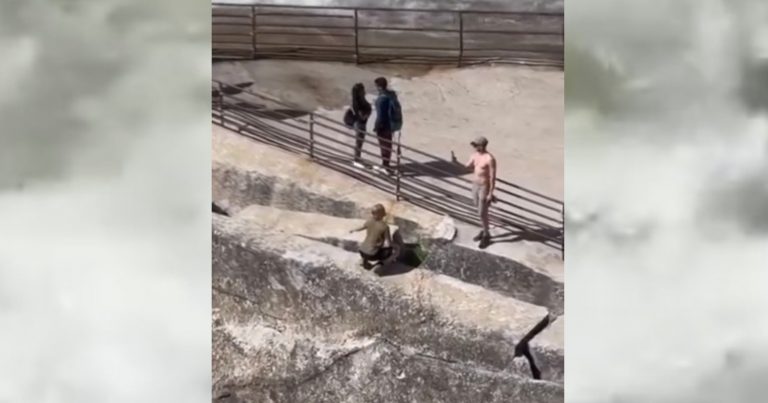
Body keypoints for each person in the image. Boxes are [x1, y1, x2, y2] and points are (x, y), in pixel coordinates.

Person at [453, 136, 497, 247]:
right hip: (475, 185)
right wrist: (455, 163)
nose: (475, 147)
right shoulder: (474, 155)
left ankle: (486, 234)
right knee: (480, 211)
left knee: (482, 212)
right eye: (474, 145)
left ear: (483, 145)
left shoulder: (489, 159)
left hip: (484, 187)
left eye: (477, 145)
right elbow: (467, 167)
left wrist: (490, 193)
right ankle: (484, 229)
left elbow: (492, 177)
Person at [349, 204, 399, 274]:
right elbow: (388, 243)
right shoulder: (385, 227)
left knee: (369, 244)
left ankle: (364, 262)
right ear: (383, 214)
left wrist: (353, 230)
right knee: (394, 251)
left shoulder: (369, 221)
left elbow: (361, 227)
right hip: (372, 255)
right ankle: (378, 266)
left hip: (362, 251)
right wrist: (396, 246)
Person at [373, 77, 403, 175]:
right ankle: (386, 164)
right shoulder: (391, 95)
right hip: (390, 125)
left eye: (376, 86)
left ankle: (385, 166)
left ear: (379, 87)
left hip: (383, 126)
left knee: (384, 146)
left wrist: (376, 126)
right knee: (388, 145)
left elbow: (381, 115)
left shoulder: (382, 99)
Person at [349, 83, 372, 168]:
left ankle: (357, 158)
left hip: (362, 123)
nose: (364, 91)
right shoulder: (356, 102)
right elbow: (360, 115)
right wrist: (366, 113)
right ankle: (356, 159)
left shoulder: (361, 100)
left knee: (360, 141)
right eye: (362, 90)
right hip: (359, 123)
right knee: (359, 141)